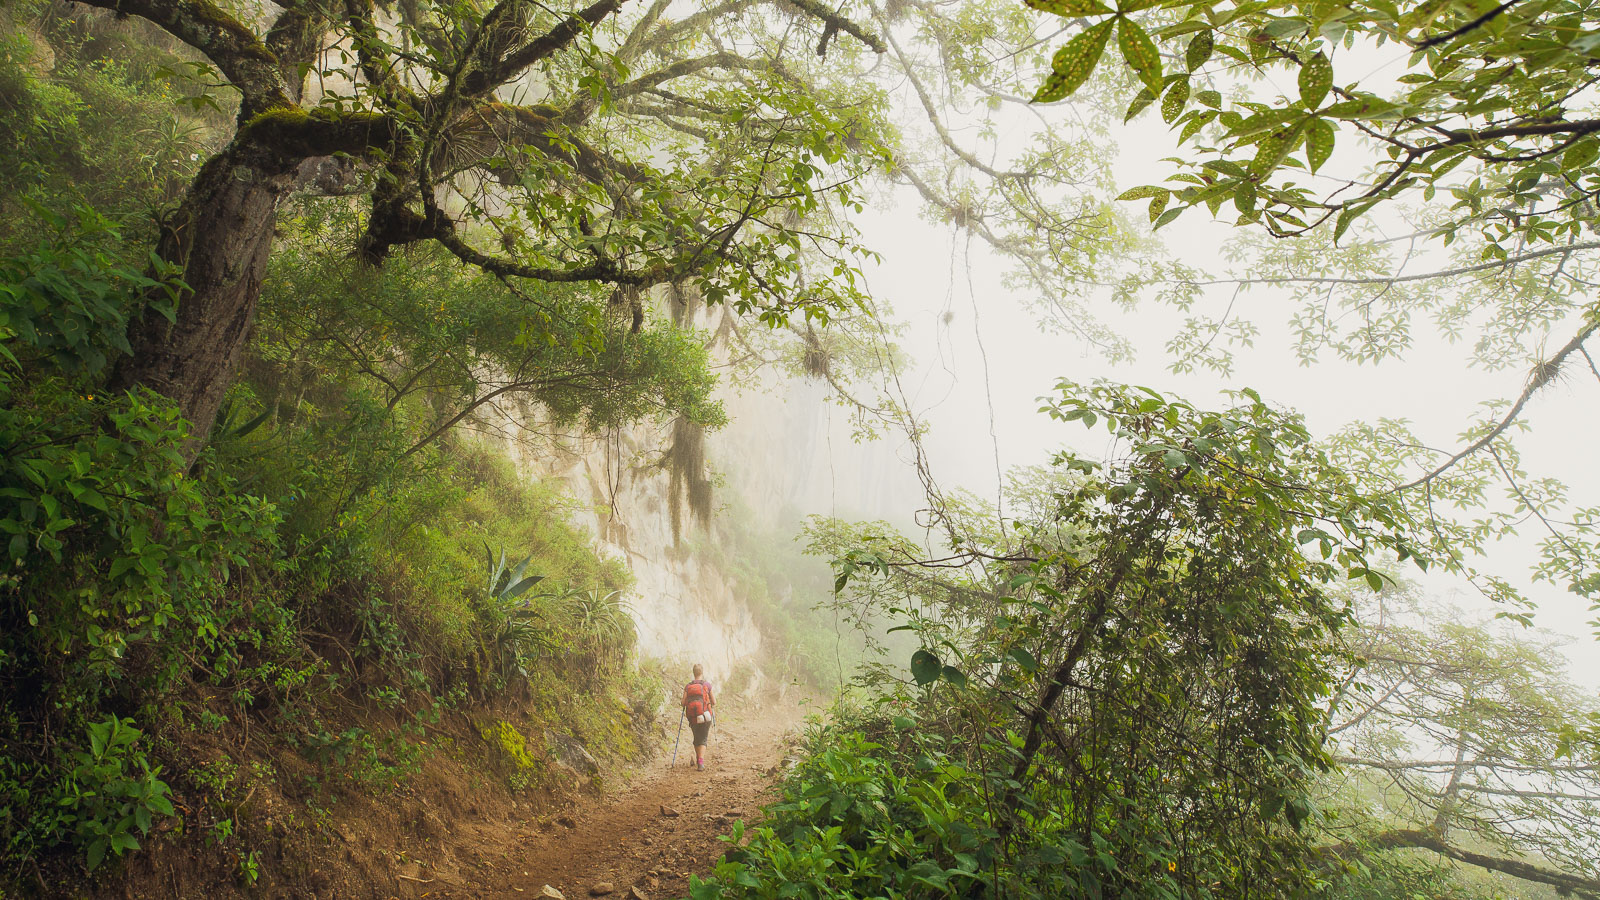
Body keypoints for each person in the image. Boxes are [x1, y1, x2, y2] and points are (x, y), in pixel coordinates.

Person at [681, 664, 716, 771]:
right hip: (705, 715)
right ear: (702, 672)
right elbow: (714, 702)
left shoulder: (688, 686)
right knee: (703, 738)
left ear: (693, 672)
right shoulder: (707, 685)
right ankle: (700, 762)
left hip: (693, 716)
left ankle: (698, 759)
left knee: (697, 738)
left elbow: (683, 703)